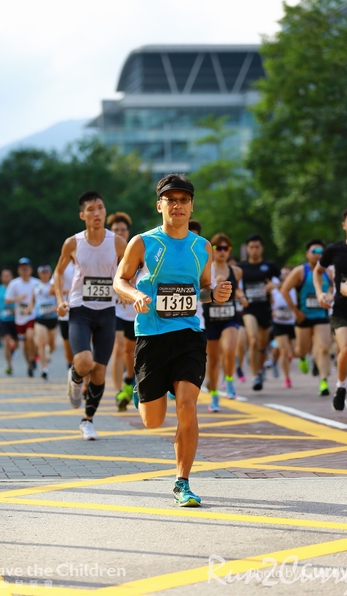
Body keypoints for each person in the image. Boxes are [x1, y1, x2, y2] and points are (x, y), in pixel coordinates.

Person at [114, 173, 232, 507]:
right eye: (171, 200)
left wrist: (215, 294)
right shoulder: (143, 242)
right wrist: (135, 294)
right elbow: (120, 280)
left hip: (189, 335)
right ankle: (140, 389)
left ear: (191, 206)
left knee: (187, 405)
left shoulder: (202, 247)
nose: (177, 206)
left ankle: (183, 482)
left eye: (184, 200)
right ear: (160, 205)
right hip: (152, 337)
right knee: (153, 421)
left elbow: (203, 290)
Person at [53, 190, 126, 441]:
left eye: (100, 208)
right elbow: (58, 272)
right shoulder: (73, 243)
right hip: (80, 309)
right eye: (91, 209)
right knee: (85, 362)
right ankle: (74, 379)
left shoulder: (117, 242)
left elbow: (132, 269)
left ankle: (87, 420)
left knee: (99, 371)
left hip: (107, 311)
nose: (97, 213)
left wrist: (127, 290)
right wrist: (60, 301)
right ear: (82, 215)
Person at [314, 205, 347, 423]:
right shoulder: (334, 250)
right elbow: (318, 271)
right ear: (344, 225)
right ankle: (340, 386)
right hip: (341, 309)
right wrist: (320, 293)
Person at [281, 240, 333, 396]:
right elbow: (284, 290)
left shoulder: (328, 272)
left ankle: (323, 381)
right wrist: (295, 311)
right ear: (307, 254)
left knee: (324, 348)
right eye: (314, 251)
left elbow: (332, 287)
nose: (318, 255)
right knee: (302, 349)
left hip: (321, 315)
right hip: (303, 316)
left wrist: (330, 295)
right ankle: (303, 357)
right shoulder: (300, 271)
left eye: (321, 252)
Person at [203, 233, 244, 410]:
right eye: (218, 248)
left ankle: (228, 380)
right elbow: (202, 291)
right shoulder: (206, 269)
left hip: (229, 317)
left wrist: (242, 296)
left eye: (225, 248)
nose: (221, 251)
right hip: (211, 319)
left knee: (229, 349)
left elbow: (237, 290)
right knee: (212, 361)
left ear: (229, 250)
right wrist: (215, 286)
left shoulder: (236, 271)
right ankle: (214, 396)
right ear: (212, 250)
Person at [238, 234, 280, 391]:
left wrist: (276, 286)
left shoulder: (269, 265)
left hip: (265, 309)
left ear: (262, 248)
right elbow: (234, 284)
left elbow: (285, 280)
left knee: (263, 345)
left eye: (257, 247)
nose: (254, 250)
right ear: (247, 249)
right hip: (249, 308)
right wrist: (241, 296)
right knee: (253, 340)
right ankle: (255, 376)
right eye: (251, 247)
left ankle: (260, 370)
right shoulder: (241, 267)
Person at [107, 212, 136, 411]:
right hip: (114, 309)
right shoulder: (105, 255)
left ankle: (129, 381)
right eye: (116, 230)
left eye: (123, 230)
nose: (119, 233)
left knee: (130, 351)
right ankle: (119, 391)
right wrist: (118, 291)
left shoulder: (136, 251)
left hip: (134, 311)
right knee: (117, 348)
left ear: (128, 232)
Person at [5, 258, 39, 377]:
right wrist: (18, 299)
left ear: (31, 270)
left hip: (32, 315)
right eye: (22, 268)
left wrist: (32, 306)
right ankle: (29, 364)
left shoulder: (36, 283)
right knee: (24, 342)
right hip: (20, 317)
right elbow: (7, 299)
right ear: (18, 270)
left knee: (30, 336)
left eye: (26, 268)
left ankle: (34, 357)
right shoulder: (14, 284)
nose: (24, 271)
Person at [30, 265, 58, 380]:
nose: (44, 274)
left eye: (46, 272)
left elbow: (60, 297)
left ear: (50, 273)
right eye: (42, 272)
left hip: (52, 318)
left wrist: (58, 306)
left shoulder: (54, 285)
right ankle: (44, 368)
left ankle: (48, 353)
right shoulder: (36, 287)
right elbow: (32, 301)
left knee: (52, 345)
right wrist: (28, 309)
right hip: (40, 318)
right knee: (42, 342)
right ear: (39, 274)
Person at [271, 266, 296, 388]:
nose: (285, 277)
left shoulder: (294, 289)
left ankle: (276, 359)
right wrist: (272, 312)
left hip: (292, 323)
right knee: (284, 351)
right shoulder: (274, 290)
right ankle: (287, 378)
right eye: (283, 274)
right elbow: (269, 304)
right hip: (279, 323)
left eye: (288, 274)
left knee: (295, 351)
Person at [0, 267, 18, 375]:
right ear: (1, 277)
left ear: (11, 277)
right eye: (4, 276)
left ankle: (13, 350)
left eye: (8, 276)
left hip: (16, 319)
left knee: (16, 344)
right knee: (6, 342)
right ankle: (9, 365)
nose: (6, 278)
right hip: (4, 319)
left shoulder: (15, 287)